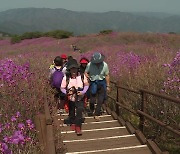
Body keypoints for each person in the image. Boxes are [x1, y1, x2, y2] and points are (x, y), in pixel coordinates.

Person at [61, 59, 89, 135]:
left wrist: (83, 92)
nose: (73, 70)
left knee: (80, 109)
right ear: (69, 69)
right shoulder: (66, 77)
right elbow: (62, 88)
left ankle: (78, 126)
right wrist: (67, 92)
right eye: (72, 69)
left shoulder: (82, 76)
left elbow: (86, 85)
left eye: (75, 68)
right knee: (72, 112)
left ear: (77, 68)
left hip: (80, 97)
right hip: (70, 98)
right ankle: (73, 123)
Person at [85, 52, 110, 121]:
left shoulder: (105, 65)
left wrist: (108, 85)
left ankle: (97, 114)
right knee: (92, 99)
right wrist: (88, 77)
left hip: (102, 82)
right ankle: (92, 108)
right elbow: (86, 72)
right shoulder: (89, 65)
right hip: (93, 82)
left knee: (100, 99)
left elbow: (107, 75)